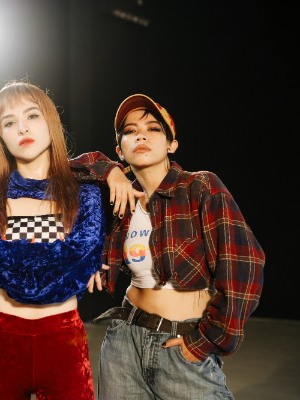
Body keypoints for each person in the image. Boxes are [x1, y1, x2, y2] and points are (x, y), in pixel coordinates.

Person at [88, 93, 266, 399]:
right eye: (130, 131)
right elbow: (61, 171)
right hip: (122, 346)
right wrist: (109, 171)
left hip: (181, 346)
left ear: (171, 145)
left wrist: (205, 342)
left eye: (153, 128)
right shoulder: (123, 200)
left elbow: (245, 265)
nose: (141, 135)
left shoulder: (200, 187)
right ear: (120, 150)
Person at [0, 80, 108, 399]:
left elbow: (80, 258)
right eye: (9, 122)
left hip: (64, 340)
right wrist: (62, 260)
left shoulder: (85, 194)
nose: (22, 128)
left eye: (32, 115)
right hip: (3, 337)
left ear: (50, 122)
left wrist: (9, 256)